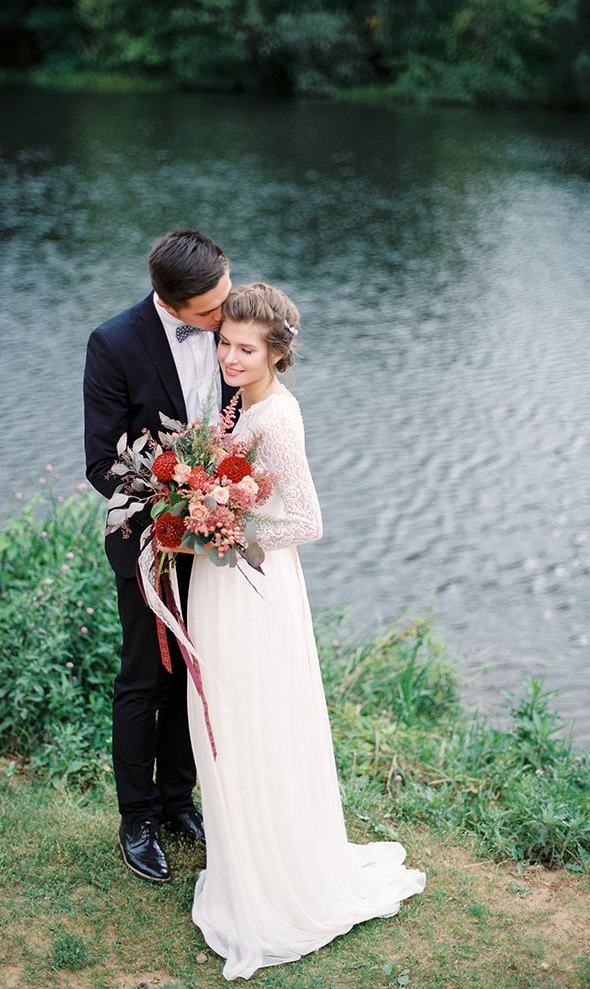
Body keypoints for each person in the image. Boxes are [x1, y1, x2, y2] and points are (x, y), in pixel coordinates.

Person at [173, 282, 426, 980]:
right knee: (225, 717)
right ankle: (244, 858)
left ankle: (273, 884)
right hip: (227, 578)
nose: (229, 355)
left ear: (276, 353)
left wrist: (223, 526)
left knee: (250, 720)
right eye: (224, 342)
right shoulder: (241, 404)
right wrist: (207, 513)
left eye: (245, 348)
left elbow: (309, 522)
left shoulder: (276, 420)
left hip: (252, 586)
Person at [83, 229, 237, 883]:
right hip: (145, 539)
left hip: (215, 539)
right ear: (173, 304)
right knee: (144, 679)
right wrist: (180, 491)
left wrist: (224, 495)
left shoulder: (231, 327)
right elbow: (102, 463)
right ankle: (137, 818)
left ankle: (179, 800)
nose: (226, 316)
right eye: (211, 309)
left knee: (194, 676)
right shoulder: (113, 343)